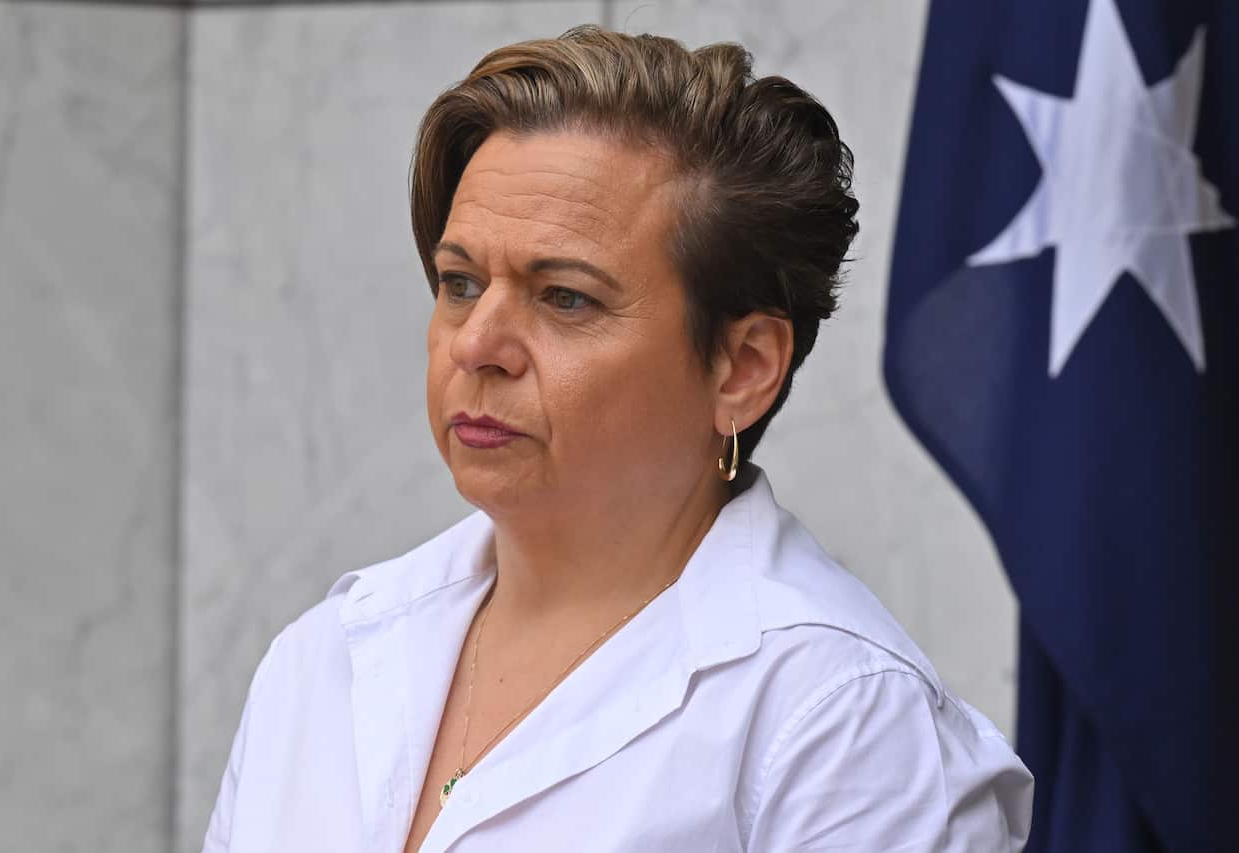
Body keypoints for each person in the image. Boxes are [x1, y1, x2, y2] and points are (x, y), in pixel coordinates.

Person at [202, 24, 1033, 853]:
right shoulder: (326, 656)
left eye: (564, 297)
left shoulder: (843, 721)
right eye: (460, 283)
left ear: (742, 367)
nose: (475, 344)